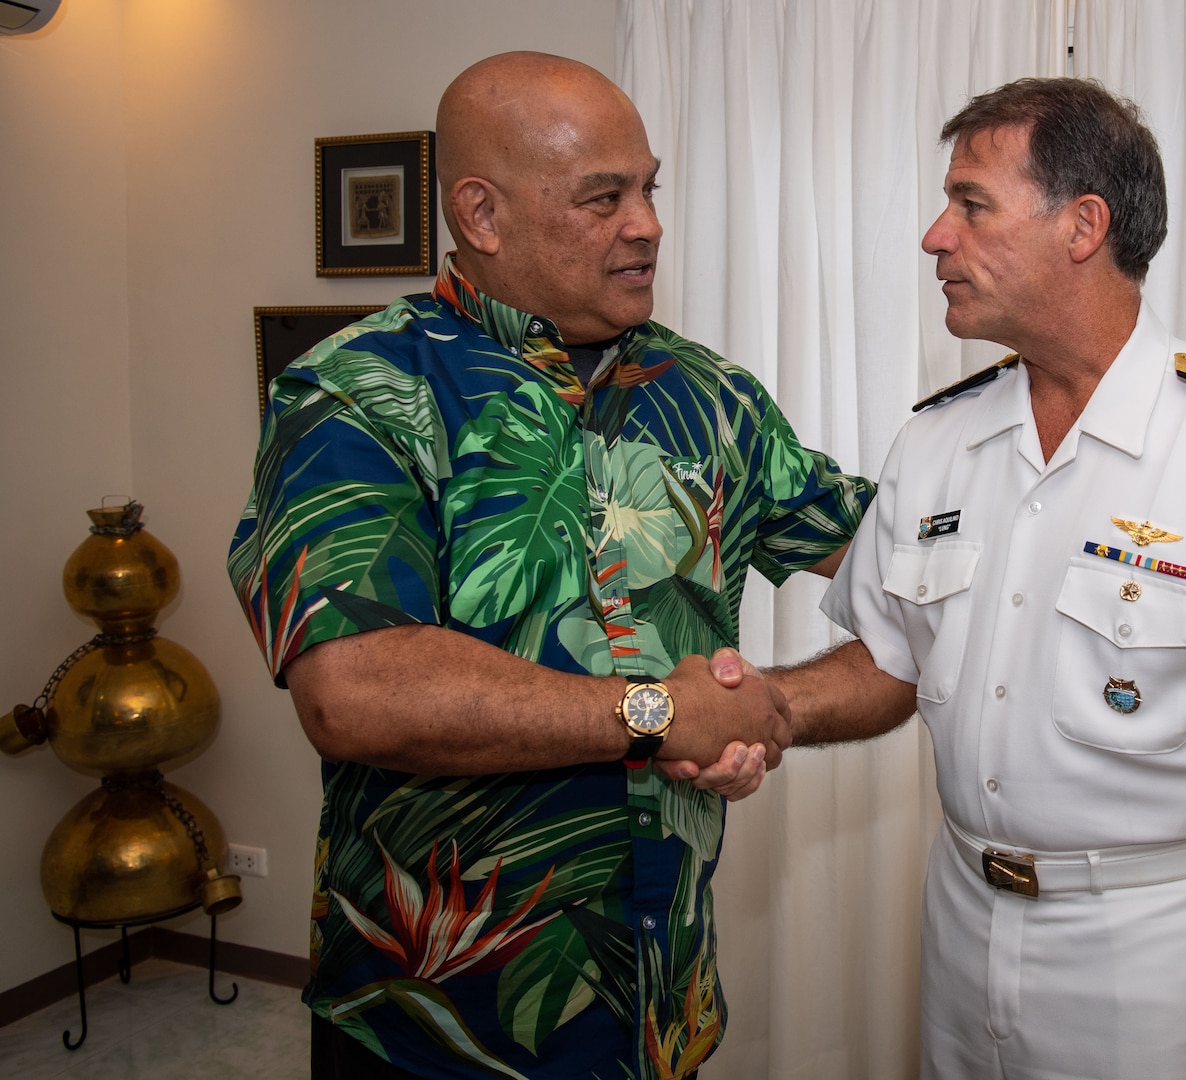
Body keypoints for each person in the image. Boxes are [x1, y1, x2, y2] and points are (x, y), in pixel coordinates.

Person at [699, 77, 1186, 1078]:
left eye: (971, 204)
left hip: (1155, 957)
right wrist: (775, 706)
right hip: (961, 929)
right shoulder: (939, 440)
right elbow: (894, 660)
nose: (936, 236)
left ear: (1083, 226)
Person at [227, 52, 870, 1080]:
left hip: (664, 1006)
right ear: (481, 215)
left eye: (649, 187)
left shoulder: (715, 398)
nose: (648, 222)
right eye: (602, 196)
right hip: (436, 1028)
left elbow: (914, 588)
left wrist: (772, 708)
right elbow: (356, 691)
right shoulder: (357, 395)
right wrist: (657, 712)